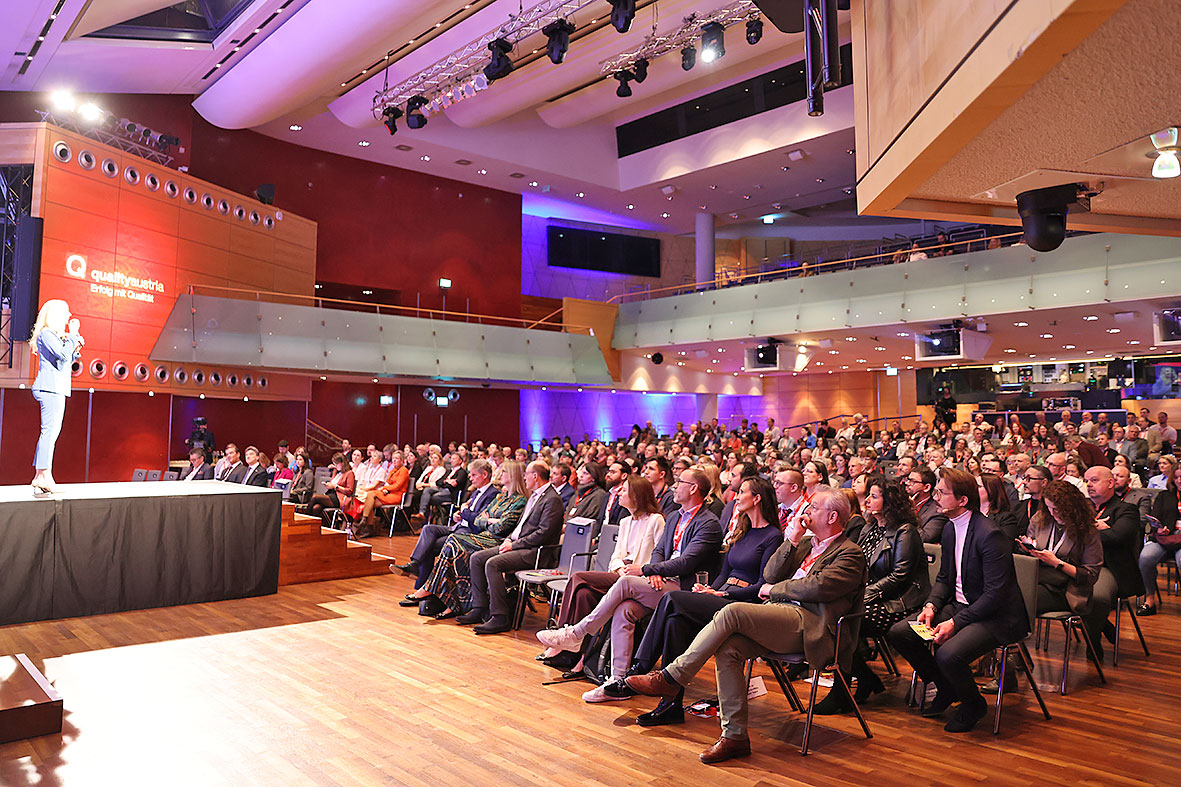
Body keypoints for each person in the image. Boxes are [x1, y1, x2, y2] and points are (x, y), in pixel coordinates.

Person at [625, 489, 866, 763]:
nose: (806, 512)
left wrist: (773, 589)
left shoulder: (850, 553)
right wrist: (793, 538)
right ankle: (734, 737)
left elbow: (818, 588)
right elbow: (770, 573)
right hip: (780, 615)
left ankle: (672, 678)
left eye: (814, 508)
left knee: (732, 611)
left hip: (812, 625)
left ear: (832, 516)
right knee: (729, 648)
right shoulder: (805, 544)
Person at [536, 469, 722, 700]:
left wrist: (646, 570)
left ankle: (577, 632)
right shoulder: (675, 516)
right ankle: (618, 681)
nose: (674, 485)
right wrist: (654, 570)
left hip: (684, 589)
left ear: (693, 488)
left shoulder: (709, 523)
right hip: (662, 582)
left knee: (624, 582)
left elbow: (687, 562)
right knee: (624, 610)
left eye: (680, 482)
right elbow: (659, 550)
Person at [618, 478, 783, 720]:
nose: (736, 497)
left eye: (742, 492)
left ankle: (641, 666)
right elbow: (724, 575)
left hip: (743, 606)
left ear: (757, 499)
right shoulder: (741, 532)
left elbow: (762, 586)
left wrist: (722, 593)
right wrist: (708, 590)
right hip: (721, 596)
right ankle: (670, 707)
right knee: (675, 621)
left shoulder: (773, 536)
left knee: (672, 598)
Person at [887, 468, 1027, 734]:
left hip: (996, 615)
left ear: (962, 500)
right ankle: (946, 687)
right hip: (962, 606)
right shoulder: (951, 528)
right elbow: (945, 578)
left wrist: (955, 622)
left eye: (942, 492)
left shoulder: (990, 534)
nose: (936, 497)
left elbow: (995, 594)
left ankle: (973, 704)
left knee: (949, 654)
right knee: (900, 632)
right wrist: (931, 606)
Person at [537, 475, 666, 671]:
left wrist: (640, 569)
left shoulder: (656, 520)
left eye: (625, 490)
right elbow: (616, 555)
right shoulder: (625, 521)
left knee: (578, 577)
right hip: (620, 573)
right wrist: (619, 568)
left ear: (636, 495)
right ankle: (582, 657)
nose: (619, 493)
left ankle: (562, 635)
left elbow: (660, 554)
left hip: (639, 578)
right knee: (584, 594)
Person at [405, 461, 527, 618]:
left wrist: (488, 520)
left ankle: (435, 591)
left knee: (452, 542)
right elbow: (480, 519)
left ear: (513, 475)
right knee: (447, 542)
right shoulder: (501, 497)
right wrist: (490, 520)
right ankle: (448, 600)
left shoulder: (520, 500)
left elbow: (501, 527)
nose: (500, 474)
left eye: (503, 472)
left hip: (496, 540)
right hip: (484, 536)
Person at [462, 461, 565, 634]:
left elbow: (543, 534)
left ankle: (500, 617)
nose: (524, 477)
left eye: (527, 474)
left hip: (536, 552)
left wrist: (514, 544)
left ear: (535, 476)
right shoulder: (535, 496)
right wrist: (509, 540)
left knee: (493, 564)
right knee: (477, 558)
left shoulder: (552, 499)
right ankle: (480, 608)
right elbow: (520, 527)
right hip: (519, 545)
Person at [851, 476, 928, 703]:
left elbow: (900, 576)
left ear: (890, 502)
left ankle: (860, 679)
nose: (867, 500)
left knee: (845, 621)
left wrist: (865, 595)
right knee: (831, 617)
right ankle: (863, 677)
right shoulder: (869, 528)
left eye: (874, 496)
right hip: (872, 596)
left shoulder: (905, 532)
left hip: (898, 602)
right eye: (868, 495)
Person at [1019, 480, 1104, 629]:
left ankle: (1016, 642)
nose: (1053, 513)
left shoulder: (1087, 531)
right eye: (1049, 508)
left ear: (1071, 508)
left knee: (1019, 601)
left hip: (1068, 590)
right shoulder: (1041, 519)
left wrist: (1057, 563)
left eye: (1057, 509)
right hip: (1039, 579)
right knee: (1006, 595)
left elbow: (1090, 575)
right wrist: (1029, 550)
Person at [1083, 466, 1143, 660]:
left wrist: (1086, 530)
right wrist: (1098, 529)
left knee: (1095, 596)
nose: (1089, 485)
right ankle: (1104, 625)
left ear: (1110, 483)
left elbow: (1117, 537)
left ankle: (1093, 643)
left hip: (1109, 567)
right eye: (1086, 481)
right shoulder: (1082, 507)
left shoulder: (1126, 509)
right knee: (1053, 585)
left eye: (1094, 480)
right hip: (1079, 564)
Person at [28, 300, 84, 494]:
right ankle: (44, 475)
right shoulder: (47, 333)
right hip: (50, 387)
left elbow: (64, 361)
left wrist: (75, 348)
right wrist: (73, 335)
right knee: (49, 433)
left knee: (50, 433)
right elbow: (62, 356)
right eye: (66, 313)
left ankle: (40, 476)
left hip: (55, 387)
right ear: (57, 314)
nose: (69, 316)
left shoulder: (52, 336)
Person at [1137, 462, 1181, 616]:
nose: (1179, 481)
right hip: (1164, 538)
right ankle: (1149, 599)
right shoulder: (1164, 495)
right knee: (1145, 557)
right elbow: (1155, 518)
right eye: (1176, 477)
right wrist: (1160, 528)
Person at [306, 453, 354, 522]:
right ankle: (322, 525)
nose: (335, 466)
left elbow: (349, 491)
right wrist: (328, 485)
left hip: (339, 497)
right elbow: (332, 483)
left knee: (315, 497)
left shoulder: (349, 473)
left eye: (336, 464)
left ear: (343, 463)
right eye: (334, 464)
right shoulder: (336, 472)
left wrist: (336, 487)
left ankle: (305, 520)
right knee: (316, 508)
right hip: (330, 494)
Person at [906, 467, 948, 543]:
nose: (907, 483)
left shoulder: (937, 511)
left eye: (912, 481)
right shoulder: (902, 503)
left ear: (926, 487)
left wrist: (910, 514)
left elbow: (925, 538)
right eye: (908, 479)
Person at [979, 473, 1019, 540]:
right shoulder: (970, 513)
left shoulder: (1006, 518)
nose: (973, 488)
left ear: (991, 490)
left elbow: (1005, 543)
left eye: (978, 486)